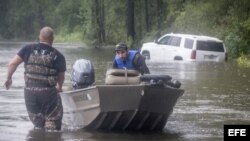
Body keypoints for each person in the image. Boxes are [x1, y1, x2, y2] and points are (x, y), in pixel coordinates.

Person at [4, 26, 66, 130]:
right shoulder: (58, 56)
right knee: (52, 127)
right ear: (52, 39)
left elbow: (12, 64)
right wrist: (59, 87)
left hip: (30, 93)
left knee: (39, 126)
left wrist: (8, 78)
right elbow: (61, 77)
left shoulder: (28, 48)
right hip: (49, 94)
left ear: (40, 37)